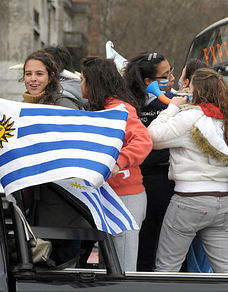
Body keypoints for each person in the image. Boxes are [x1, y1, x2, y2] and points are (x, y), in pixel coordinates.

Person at [0, 50, 89, 267]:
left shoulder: (63, 103)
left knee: (63, 271)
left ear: (52, 76)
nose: (33, 79)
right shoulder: (23, 107)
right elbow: (2, 147)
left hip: (65, 208)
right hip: (37, 206)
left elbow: (69, 147)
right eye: (28, 74)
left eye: (39, 74)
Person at [148, 68, 228, 273]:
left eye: (190, 87)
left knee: (167, 267)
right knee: (227, 269)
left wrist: (172, 109)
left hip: (189, 200)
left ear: (198, 92)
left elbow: (153, 137)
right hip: (224, 202)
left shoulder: (190, 118)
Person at [81, 56, 153, 272]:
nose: (80, 84)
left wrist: (117, 163)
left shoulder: (120, 109)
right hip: (110, 196)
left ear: (95, 82)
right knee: (111, 269)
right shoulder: (101, 108)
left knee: (122, 270)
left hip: (126, 197)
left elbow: (143, 140)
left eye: (83, 79)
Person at [123, 52, 177, 272]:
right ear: (148, 82)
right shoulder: (129, 105)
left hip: (162, 179)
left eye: (171, 70)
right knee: (147, 244)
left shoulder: (174, 99)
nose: (172, 77)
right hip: (144, 183)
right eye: (165, 75)